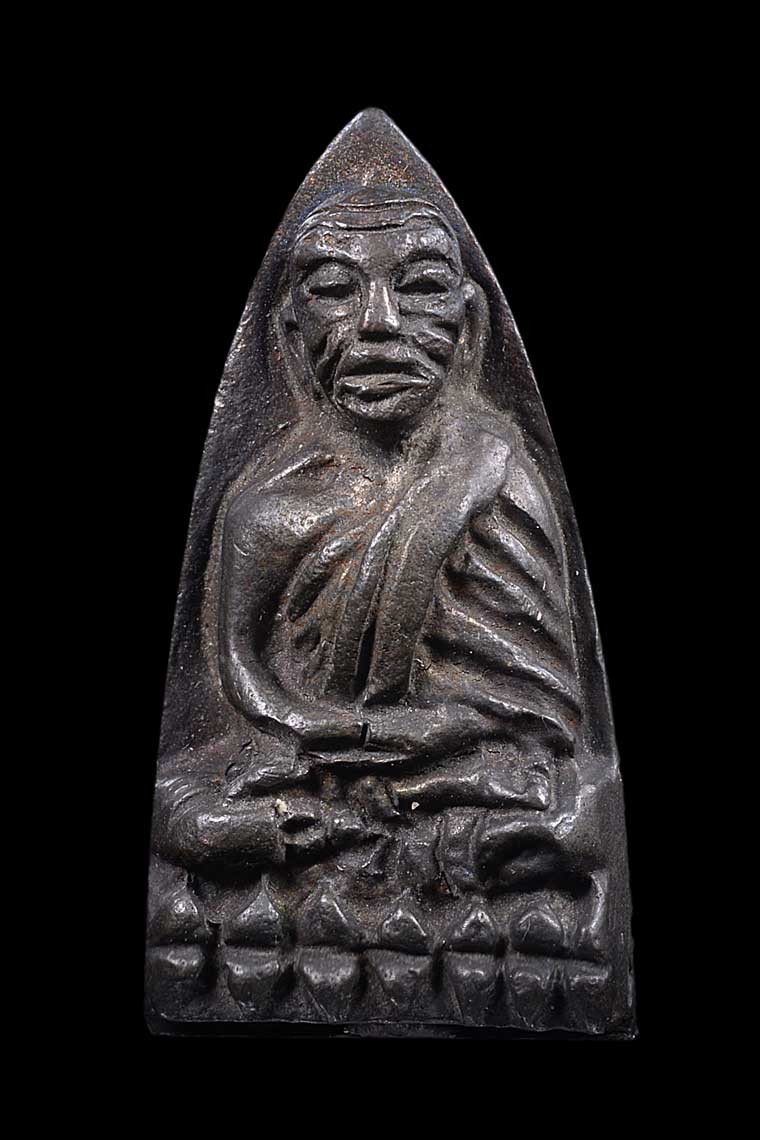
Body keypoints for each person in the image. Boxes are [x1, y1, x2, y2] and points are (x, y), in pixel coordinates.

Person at [154, 188, 583, 878]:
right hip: (312, 769)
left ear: (470, 322)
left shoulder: (492, 474)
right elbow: (241, 675)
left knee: (568, 821)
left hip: (468, 774)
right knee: (191, 822)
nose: (379, 323)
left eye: (421, 288)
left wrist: (440, 732)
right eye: (335, 290)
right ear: (291, 332)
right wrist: (333, 732)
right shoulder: (265, 509)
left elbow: (543, 711)